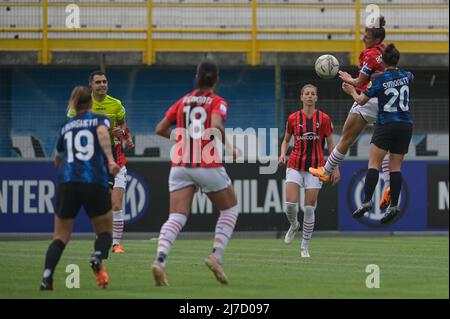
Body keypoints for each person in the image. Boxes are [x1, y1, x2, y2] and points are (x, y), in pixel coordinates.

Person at [151, 59, 240, 286]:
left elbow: (160, 129)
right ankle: (216, 256)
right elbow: (217, 125)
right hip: (206, 162)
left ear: (196, 78)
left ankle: (160, 260)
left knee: (176, 216)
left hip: (180, 164)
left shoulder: (183, 101)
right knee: (230, 208)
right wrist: (230, 146)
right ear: (216, 80)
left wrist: (181, 139)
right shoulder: (216, 101)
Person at [40, 86, 120, 290]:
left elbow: (57, 160)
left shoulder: (66, 126)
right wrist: (111, 160)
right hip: (94, 182)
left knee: (60, 237)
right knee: (105, 232)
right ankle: (97, 256)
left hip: (69, 184)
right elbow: (102, 133)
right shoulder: (99, 120)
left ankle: (46, 279)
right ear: (91, 103)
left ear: (74, 104)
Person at [310, 16, 392, 209]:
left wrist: (349, 81)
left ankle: (326, 171)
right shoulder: (385, 49)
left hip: (369, 100)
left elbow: (362, 82)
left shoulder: (369, 53)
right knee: (384, 148)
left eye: (367, 36)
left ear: (375, 39)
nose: (364, 38)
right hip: (388, 103)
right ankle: (389, 184)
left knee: (345, 139)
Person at [342, 44, 413, 224]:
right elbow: (411, 77)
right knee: (395, 168)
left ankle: (366, 201)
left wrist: (351, 89)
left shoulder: (379, 80)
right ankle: (394, 206)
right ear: (397, 60)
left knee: (374, 163)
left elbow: (361, 100)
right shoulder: (406, 76)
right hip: (405, 125)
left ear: (384, 61)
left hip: (386, 123)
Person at [67, 71, 134, 254]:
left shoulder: (116, 104)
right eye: (98, 82)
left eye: (104, 81)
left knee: (117, 204)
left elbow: (122, 124)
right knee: (101, 206)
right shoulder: (83, 104)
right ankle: (102, 236)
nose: (102, 85)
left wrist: (125, 137)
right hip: (94, 160)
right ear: (91, 85)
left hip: (116, 158)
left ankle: (116, 244)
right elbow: (74, 125)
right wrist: (104, 133)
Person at [279, 84, 340, 257]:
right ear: (301, 97)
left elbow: (331, 145)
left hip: (316, 168)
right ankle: (294, 225)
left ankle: (304, 246)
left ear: (316, 98)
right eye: (307, 94)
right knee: (290, 204)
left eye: (313, 94)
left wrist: (335, 167)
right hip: (295, 164)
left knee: (308, 209)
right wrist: (283, 153)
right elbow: (286, 140)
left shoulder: (324, 119)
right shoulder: (292, 118)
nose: (310, 96)